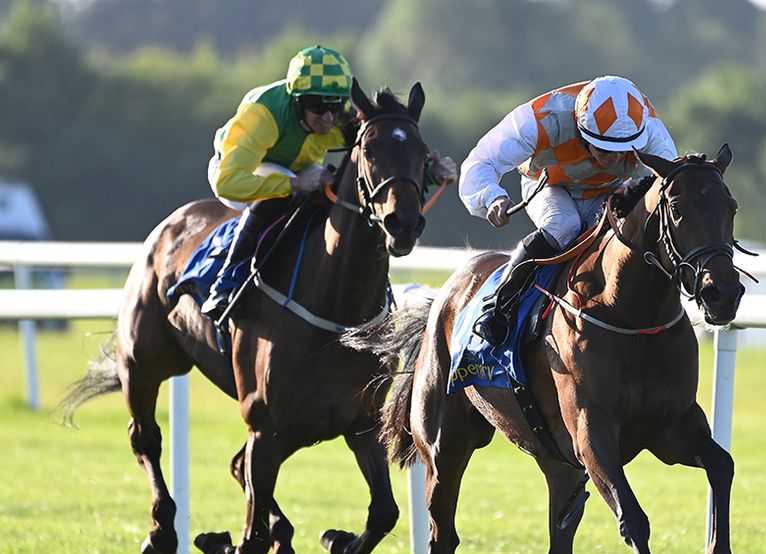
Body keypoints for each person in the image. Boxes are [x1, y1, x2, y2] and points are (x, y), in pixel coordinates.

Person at [202, 44, 457, 322]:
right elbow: (228, 183)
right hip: (238, 169)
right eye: (317, 107)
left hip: (300, 166)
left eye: (334, 107)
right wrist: (296, 183)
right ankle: (226, 282)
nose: (327, 118)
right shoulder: (261, 116)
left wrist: (431, 171)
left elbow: (382, 154)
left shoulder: (339, 118)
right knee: (280, 192)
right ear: (296, 100)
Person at [458, 75, 678, 346]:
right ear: (582, 132)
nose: (616, 157)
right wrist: (492, 197)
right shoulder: (543, 117)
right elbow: (481, 161)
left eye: (623, 150)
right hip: (549, 185)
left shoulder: (649, 127)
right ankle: (498, 308)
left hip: (608, 191)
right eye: (606, 150)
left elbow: (671, 181)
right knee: (564, 225)